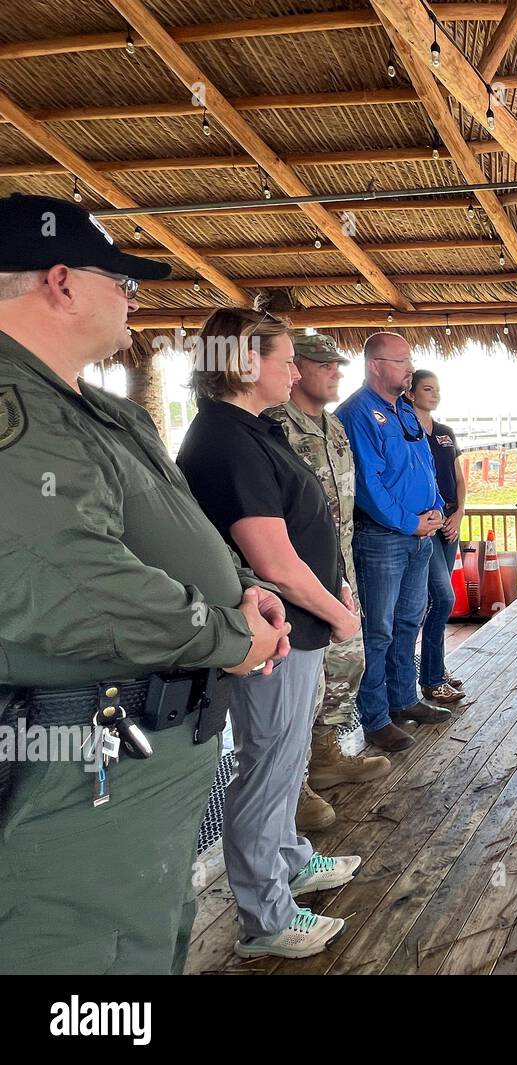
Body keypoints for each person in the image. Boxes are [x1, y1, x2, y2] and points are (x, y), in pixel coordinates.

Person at [0, 194, 290, 975]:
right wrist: (234, 637)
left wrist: (242, 589)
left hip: (149, 763)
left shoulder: (96, 410)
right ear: (59, 281)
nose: (134, 296)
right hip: (79, 766)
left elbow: (174, 518)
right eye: (119, 278)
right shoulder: (14, 413)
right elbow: (71, 581)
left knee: (148, 943)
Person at [178, 309, 362, 961]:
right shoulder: (225, 441)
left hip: (296, 625)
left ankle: (289, 858)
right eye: (285, 357)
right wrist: (339, 614)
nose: (294, 368)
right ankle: (267, 916)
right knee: (267, 763)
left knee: (282, 762)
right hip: (271, 631)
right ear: (245, 362)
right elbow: (272, 560)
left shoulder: (251, 428)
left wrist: (332, 590)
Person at [265, 332, 392, 833]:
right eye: (325, 364)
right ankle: (289, 787)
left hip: (339, 570)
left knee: (345, 664)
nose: (336, 372)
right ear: (298, 369)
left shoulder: (333, 427)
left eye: (339, 364)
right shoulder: (275, 428)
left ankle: (325, 756)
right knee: (300, 685)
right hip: (293, 577)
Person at [336, 333, 447, 752]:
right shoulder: (358, 413)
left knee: (407, 623)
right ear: (375, 366)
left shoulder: (404, 410)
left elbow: (423, 467)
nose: (409, 369)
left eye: (410, 360)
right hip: (384, 538)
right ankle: (376, 717)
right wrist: (408, 522)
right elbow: (368, 484)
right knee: (377, 630)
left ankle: (405, 700)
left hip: (420, 534)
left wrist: (435, 508)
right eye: (400, 362)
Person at [408, 369, 468, 705]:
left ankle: (437, 666)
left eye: (437, 389)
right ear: (411, 394)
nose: (434, 394)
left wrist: (458, 515)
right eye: (427, 388)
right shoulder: (407, 432)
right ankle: (430, 680)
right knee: (441, 599)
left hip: (450, 523)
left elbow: (459, 478)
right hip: (425, 526)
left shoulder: (444, 433)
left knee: (439, 603)